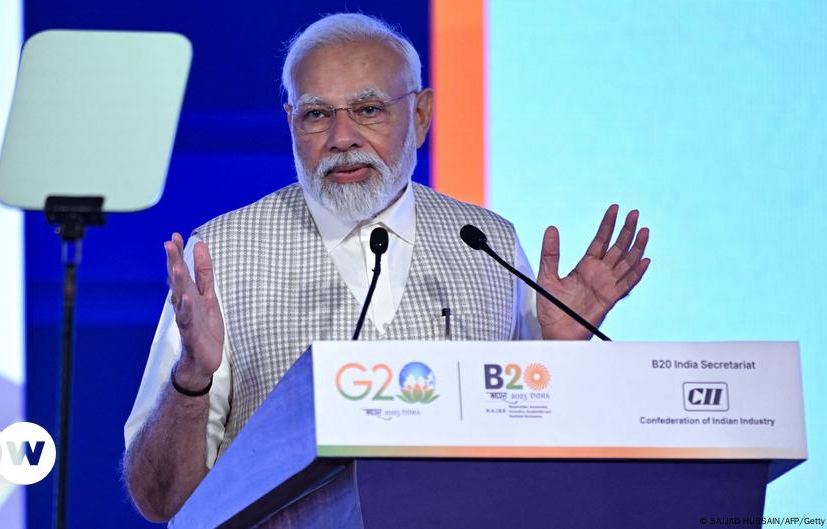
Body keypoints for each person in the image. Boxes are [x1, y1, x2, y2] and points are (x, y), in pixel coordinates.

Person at [122, 12, 650, 522]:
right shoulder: (221, 254)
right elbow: (160, 500)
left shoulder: (489, 245)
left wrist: (558, 354)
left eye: (369, 109)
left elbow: (541, 469)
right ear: (291, 123)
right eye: (316, 114)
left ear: (420, 116)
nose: (342, 137)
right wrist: (192, 377)